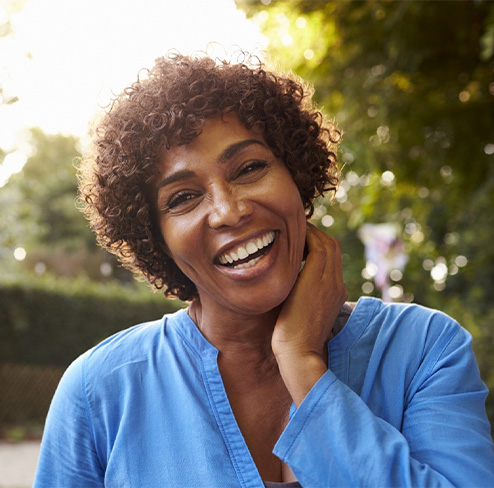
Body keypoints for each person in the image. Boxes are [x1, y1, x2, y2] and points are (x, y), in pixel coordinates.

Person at [34, 52, 494, 488]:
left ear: (296, 175)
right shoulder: (99, 392)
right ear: (156, 239)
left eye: (249, 167)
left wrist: (302, 363)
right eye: (182, 198)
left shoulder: (422, 349)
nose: (228, 211)